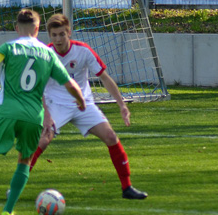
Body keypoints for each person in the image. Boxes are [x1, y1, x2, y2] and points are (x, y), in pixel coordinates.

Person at [0, 9, 86, 215]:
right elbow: (69, 83)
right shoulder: (48, 53)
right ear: (38, 29)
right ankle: (8, 211)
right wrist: (80, 99)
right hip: (33, 117)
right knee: (24, 161)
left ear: (16, 28)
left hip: (7, 113)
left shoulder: (9, 47)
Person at [29, 13, 148, 200]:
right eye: (54, 35)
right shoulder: (45, 54)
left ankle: (127, 188)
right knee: (43, 141)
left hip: (83, 104)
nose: (58, 39)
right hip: (55, 105)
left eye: (62, 34)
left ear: (69, 33)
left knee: (110, 136)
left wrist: (122, 105)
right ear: (49, 36)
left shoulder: (83, 51)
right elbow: (38, 87)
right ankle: (16, 186)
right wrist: (46, 115)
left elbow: (105, 78)